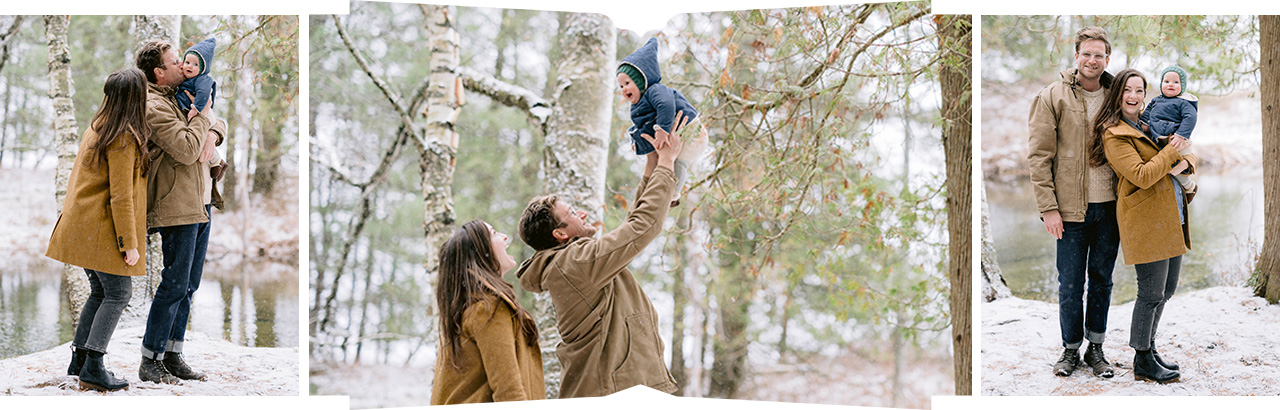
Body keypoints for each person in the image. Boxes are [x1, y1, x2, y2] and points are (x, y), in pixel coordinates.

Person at [515, 111, 696, 398]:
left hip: (616, 390)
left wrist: (651, 164)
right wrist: (666, 163)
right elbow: (641, 228)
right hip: (614, 394)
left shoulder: (572, 261)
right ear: (559, 234)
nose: (583, 213)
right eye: (573, 213)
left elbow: (632, 227)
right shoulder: (573, 264)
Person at [45, 67, 153, 392]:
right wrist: (128, 242)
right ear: (136, 98)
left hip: (81, 225)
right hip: (100, 228)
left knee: (100, 292)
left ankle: (79, 361)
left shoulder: (98, 127)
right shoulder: (122, 137)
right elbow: (120, 195)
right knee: (120, 293)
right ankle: (93, 364)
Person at [1027, 26, 1120, 378]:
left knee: (1102, 280)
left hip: (1111, 208)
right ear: (1076, 56)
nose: (1092, 60)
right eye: (1087, 53)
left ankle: (1096, 349)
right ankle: (1070, 350)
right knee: (1069, 284)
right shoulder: (1052, 96)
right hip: (1069, 211)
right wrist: (1048, 208)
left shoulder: (1116, 94)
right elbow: (1038, 156)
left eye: (1099, 55)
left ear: (1107, 59)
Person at [134, 39, 228, 385]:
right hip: (176, 205)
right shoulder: (151, 105)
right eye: (175, 62)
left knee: (189, 285)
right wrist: (206, 119)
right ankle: (151, 359)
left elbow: (218, 124)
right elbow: (189, 148)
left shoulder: (180, 93)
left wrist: (213, 130)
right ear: (158, 72)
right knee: (173, 284)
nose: (183, 66)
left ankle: (173, 354)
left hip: (200, 201)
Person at [1094, 68, 1195, 384]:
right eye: (1127, 90)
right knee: (1150, 292)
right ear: (1118, 94)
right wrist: (1173, 154)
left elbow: (1184, 159)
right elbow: (1141, 174)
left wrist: (1182, 159)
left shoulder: (1149, 125)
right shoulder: (1114, 134)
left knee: (1166, 290)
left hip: (1171, 216)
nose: (1134, 97)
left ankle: (1150, 350)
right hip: (1145, 220)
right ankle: (1141, 359)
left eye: (1139, 90)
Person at [431, 220, 544, 404]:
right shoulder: (488, 309)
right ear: (480, 252)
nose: (504, 236)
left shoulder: (469, 308)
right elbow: (508, 392)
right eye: (494, 233)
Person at [617, 37, 703, 206]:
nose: (624, 89)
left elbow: (666, 105)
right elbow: (642, 126)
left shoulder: (656, 90)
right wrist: (638, 142)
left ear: (642, 81)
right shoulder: (637, 106)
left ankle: (673, 195)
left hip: (692, 131)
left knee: (678, 163)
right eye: (620, 86)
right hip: (679, 135)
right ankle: (659, 191)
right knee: (664, 163)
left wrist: (662, 130)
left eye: (627, 83)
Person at [1139, 65, 1198, 193]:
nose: (1170, 85)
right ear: (1161, 84)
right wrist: (1144, 122)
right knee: (1163, 165)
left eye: (1176, 82)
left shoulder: (1184, 103)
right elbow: (1148, 111)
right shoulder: (1156, 100)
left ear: (1182, 86)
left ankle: (1189, 186)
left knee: (1177, 167)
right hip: (1158, 137)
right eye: (1166, 81)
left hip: (1176, 139)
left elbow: (1190, 118)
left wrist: (1181, 135)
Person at [175, 37, 218, 115]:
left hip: (195, 110)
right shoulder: (184, 76)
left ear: (202, 69)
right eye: (187, 62)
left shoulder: (202, 79)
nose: (190, 66)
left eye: (195, 64)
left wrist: (196, 109)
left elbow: (204, 92)